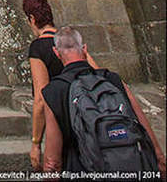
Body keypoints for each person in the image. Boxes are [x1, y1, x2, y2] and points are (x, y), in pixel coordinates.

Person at [42, 26, 166, 178]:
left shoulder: (54, 91)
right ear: (85, 49)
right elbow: (142, 123)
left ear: (56, 52)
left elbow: (52, 161)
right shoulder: (112, 79)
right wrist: (159, 159)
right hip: (132, 167)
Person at [22, 0, 98, 170]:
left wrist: (35, 143)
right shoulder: (70, 41)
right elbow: (97, 73)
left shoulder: (38, 48)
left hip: (60, 123)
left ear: (32, 19)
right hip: (86, 115)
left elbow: (41, 100)